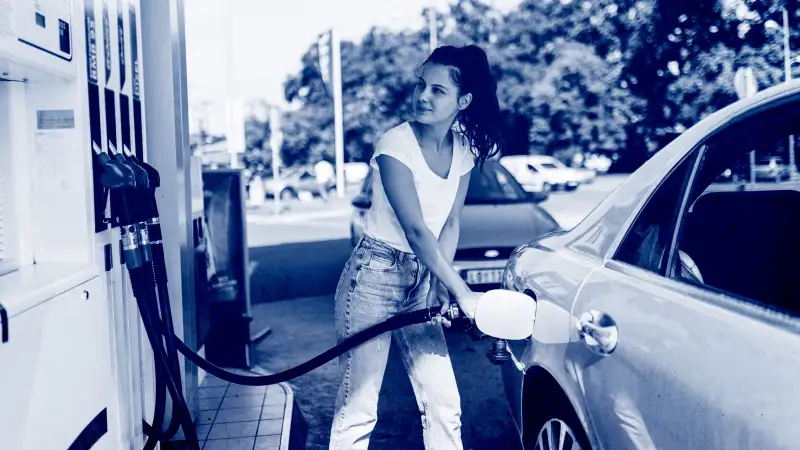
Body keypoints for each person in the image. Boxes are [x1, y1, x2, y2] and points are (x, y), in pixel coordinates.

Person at [329, 44, 504, 450]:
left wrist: (442, 284)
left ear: (463, 101)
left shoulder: (464, 150)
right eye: (421, 85)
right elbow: (415, 229)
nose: (423, 96)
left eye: (437, 90)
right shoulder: (395, 144)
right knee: (359, 408)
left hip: (421, 283)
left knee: (444, 404)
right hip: (372, 280)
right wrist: (463, 292)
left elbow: (451, 223)